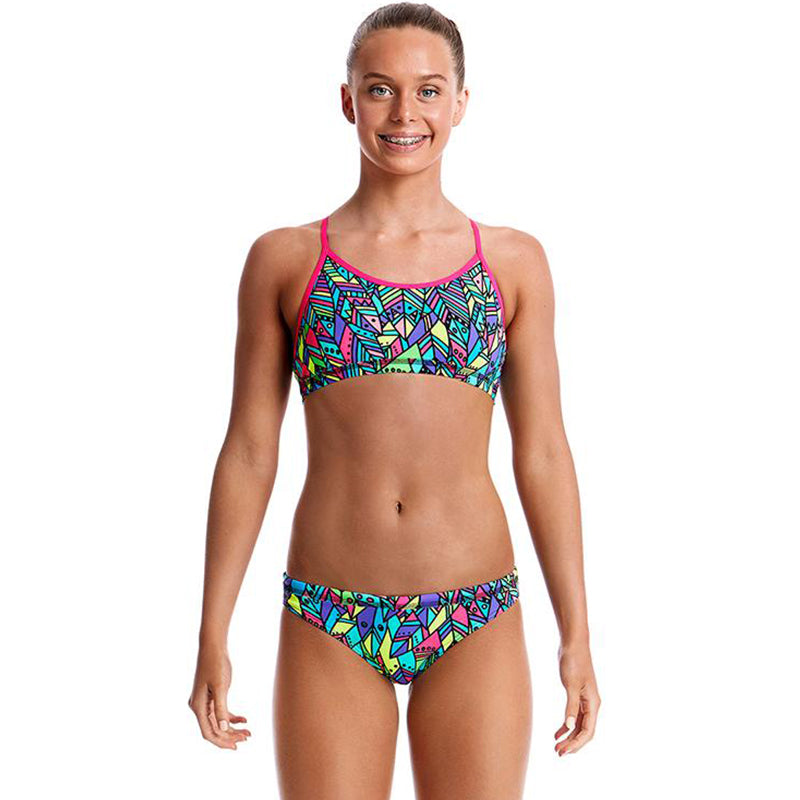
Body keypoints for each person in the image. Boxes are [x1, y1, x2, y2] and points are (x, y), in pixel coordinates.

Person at [188, 3, 600, 797]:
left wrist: (576, 634)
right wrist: (213, 629)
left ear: (461, 103)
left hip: (475, 610)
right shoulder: (286, 260)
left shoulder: (512, 264)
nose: (405, 112)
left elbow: (545, 451)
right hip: (329, 612)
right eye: (380, 89)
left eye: (428, 90)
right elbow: (249, 450)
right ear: (348, 101)